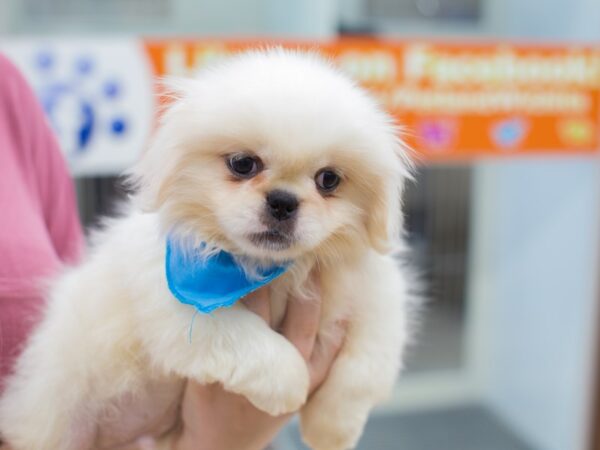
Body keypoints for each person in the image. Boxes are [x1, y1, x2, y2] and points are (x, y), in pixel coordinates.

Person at [0, 53, 345, 450]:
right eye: (243, 165)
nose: (283, 200)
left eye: (327, 180)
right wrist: (217, 439)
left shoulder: (9, 91)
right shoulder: (158, 252)